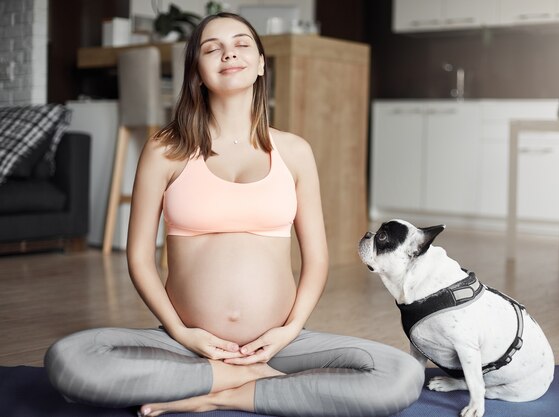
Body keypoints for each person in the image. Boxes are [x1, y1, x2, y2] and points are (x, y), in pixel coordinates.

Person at [44, 12, 424, 417]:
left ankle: (219, 393)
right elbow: (139, 257)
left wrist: (289, 331)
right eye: (212, 48)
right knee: (70, 359)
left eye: (242, 44)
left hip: (279, 344)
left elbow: (317, 260)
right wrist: (182, 333)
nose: (229, 54)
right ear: (197, 70)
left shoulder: (294, 151)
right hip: (185, 344)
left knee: (400, 373)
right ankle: (242, 378)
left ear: (261, 63)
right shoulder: (164, 149)